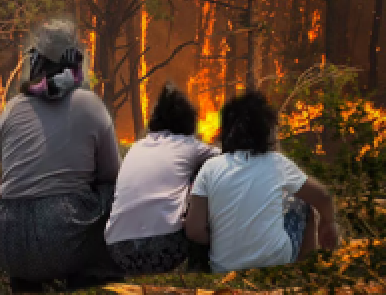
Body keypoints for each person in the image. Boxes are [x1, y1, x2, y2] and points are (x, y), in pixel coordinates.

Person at [0, 19, 123, 291]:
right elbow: (112, 175)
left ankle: (26, 283)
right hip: (60, 236)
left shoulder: (12, 108)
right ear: (75, 61)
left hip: (6, 240)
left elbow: (7, 166)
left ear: (34, 61)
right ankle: (93, 277)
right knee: (113, 192)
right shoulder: (90, 105)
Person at [185, 91, 340, 272]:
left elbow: (194, 230)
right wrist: (328, 223)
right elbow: (323, 196)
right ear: (267, 131)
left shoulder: (209, 168)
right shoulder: (276, 162)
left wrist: (221, 236)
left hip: (223, 268)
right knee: (302, 205)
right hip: (275, 263)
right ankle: (304, 271)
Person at [105, 84, 219, 276]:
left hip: (118, 251)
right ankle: (199, 266)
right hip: (164, 248)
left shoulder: (137, 146)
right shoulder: (190, 146)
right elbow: (226, 160)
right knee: (204, 175)